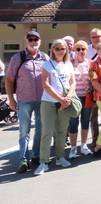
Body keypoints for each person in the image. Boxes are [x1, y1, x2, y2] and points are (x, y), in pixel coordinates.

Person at [6, 31, 49, 173]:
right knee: (24, 131)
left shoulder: (45, 58)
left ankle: (36, 155)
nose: (33, 41)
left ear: (40, 41)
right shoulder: (18, 58)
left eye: (36, 39)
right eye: (30, 39)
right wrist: (11, 99)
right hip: (24, 100)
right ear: (26, 41)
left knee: (40, 130)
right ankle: (23, 159)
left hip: (42, 100)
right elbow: (9, 80)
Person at [34, 39, 76, 176]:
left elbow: (72, 83)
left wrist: (68, 98)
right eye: (57, 48)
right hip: (49, 102)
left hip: (65, 102)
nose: (60, 51)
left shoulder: (68, 64)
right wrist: (61, 99)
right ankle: (43, 162)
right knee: (47, 132)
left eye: (62, 48)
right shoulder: (47, 64)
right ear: (52, 50)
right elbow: (45, 84)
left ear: (66, 50)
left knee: (61, 132)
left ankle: (60, 158)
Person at [68, 40, 92, 158]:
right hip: (74, 98)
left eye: (83, 49)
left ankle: (83, 145)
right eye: (78, 49)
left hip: (87, 97)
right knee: (73, 123)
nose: (81, 51)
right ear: (74, 51)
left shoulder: (90, 63)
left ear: (87, 51)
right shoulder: (69, 63)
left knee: (85, 121)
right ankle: (73, 148)